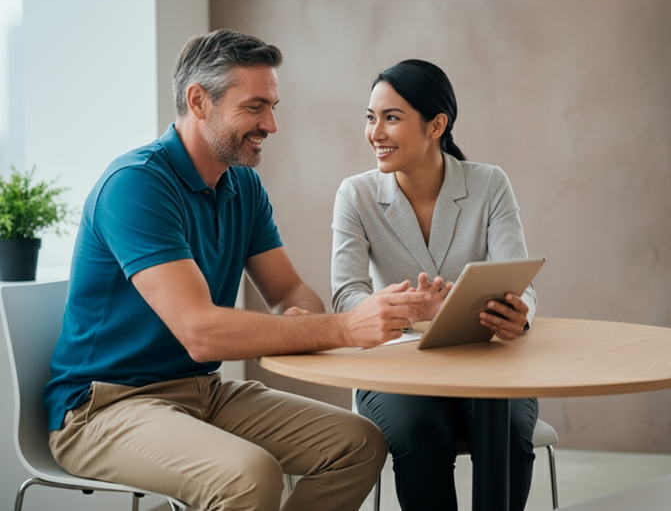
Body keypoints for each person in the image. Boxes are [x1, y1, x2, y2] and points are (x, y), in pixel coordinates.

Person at [44, 30, 433, 511]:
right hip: (105, 407)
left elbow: (289, 290)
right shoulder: (136, 186)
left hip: (201, 391)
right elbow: (200, 333)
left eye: (272, 106)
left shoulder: (242, 185)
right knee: (250, 477)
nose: (271, 124)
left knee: (359, 445)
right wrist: (343, 327)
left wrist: (301, 319)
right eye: (254, 107)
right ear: (198, 101)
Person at [331, 59, 539, 511]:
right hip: (397, 369)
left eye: (391, 118)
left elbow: (519, 282)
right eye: (370, 117)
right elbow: (347, 296)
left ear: (436, 125)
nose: (375, 133)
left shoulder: (489, 184)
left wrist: (518, 313)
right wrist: (408, 309)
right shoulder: (356, 194)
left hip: (485, 361)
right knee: (420, 434)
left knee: (507, 432)